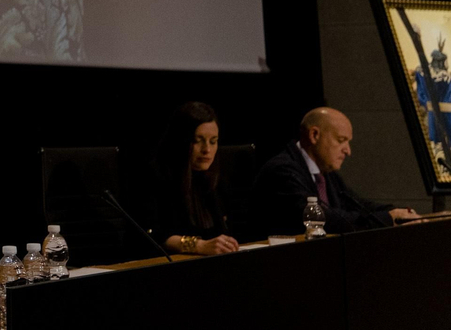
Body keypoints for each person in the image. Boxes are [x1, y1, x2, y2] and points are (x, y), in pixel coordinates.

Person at [253, 107, 419, 235]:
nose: (348, 151)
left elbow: (358, 205)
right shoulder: (282, 171)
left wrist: (401, 213)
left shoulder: (326, 173)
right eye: (341, 141)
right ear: (314, 135)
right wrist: (387, 219)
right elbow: (320, 219)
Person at [153, 102, 238, 256]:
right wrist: (199, 246)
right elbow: (156, 235)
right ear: (181, 141)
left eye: (213, 141)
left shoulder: (216, 181)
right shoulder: (158, 178)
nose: (207, 149)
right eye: (198, 140)